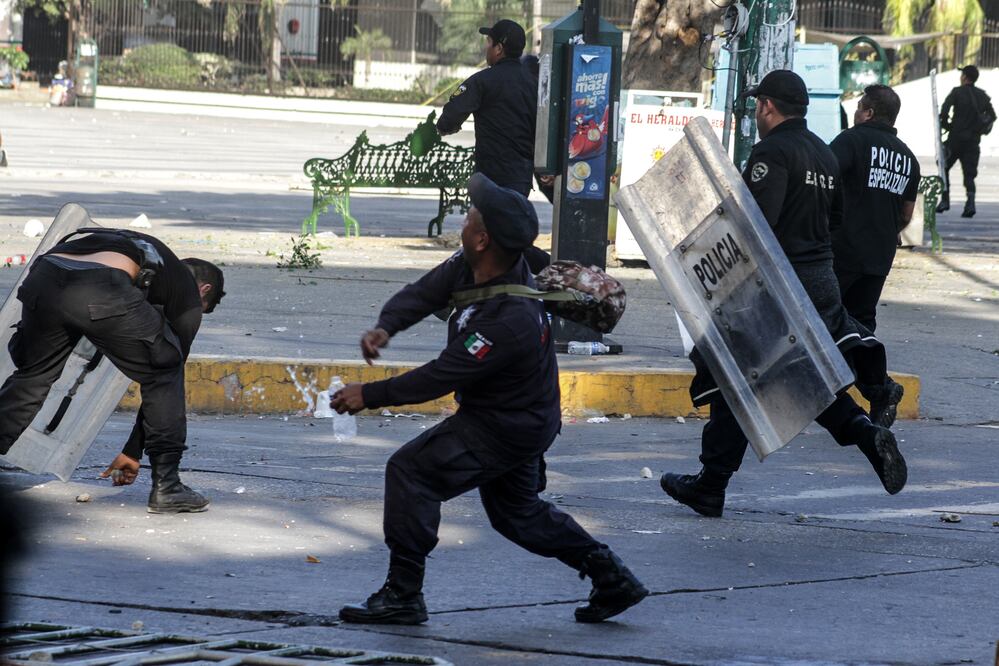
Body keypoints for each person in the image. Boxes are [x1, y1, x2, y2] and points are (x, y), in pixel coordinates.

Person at [331, 173, 647, 625]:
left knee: (412, 472)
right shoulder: (477, 264)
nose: (463, 220)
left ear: (482, 238)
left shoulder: (508, 320)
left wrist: (370, 394)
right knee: (516, 514)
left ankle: (403, 594)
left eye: (470, 216)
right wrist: (387, 325)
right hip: (522, 415)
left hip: (505, 425)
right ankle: (612, 578)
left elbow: (441, 375)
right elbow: (425, 291)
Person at [659, 71, 907, 518]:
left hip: (776, 284)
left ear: (768, 106)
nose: (757, 112)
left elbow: (757, 226)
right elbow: (835, 220)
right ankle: (866, 433)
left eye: (758, 105)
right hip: (821, 279)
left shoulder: (772, 151)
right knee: (802, 376)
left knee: (733, 377)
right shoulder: (823, 153)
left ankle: (711, 483)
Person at [0, 228, 225, 513]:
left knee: (33, 376)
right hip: (99, 285)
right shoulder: (188, 296)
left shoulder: (147, 253)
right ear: (204, 291)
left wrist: (133, 449)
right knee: (164, 371)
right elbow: (165, 374)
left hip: (45, 273)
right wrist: (133, 450)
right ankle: (167, 486)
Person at [437, 19, 551, 273]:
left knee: (488, 236)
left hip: (490, 178)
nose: (486, 49)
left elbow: (450, 117)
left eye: (488, 43)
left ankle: (551, 269)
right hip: (520, 178)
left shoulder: (483, 81)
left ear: (498, 49)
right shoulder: (535, 84)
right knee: (501, 235)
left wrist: (444, 128)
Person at [831, 84, 920, 333]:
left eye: (859, 107)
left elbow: (823, 181)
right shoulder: (908, 159)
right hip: (879, 256)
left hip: (843, 250)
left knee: (825, 316)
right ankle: (862, 369)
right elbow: (906, 214)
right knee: (863, 319)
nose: (856, 113)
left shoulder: (851, 140)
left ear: (868, 113)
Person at [937, 65, 996, 218]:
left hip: (955, 139)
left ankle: (945, 200)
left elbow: (944, 111)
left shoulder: (957, 92)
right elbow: (992, 115)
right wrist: (981, 129)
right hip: (973, 141)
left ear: (964, 77)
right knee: (969, 175)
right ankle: (970, 203)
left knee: (944, 167)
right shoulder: (982, 96)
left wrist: (947, 126)